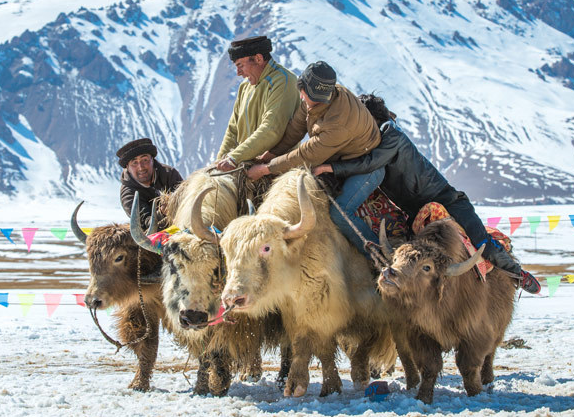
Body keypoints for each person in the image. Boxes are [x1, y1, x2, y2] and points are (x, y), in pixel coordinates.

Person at [313, 94, 541, 294]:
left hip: (451, 203)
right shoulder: (377, 141)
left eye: (360, 119)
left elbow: (370, 163)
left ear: (369, 118)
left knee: (484, 244)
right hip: (417, 213)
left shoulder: (391, 134)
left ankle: (519, 276)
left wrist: (331, 168)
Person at [246, 61, 385, 256]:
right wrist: (270, 155)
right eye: (311, 97)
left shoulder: (338, 122)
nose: (316, 101)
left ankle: (378, 255)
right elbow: (295, 129)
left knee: (340, 212)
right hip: (340, 159)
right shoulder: (318, 98)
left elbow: (307, 154)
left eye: (319, 99)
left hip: (366, 166)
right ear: (301, 89)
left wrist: (265, 169)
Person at [214, 36, 300, 172]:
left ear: (258, 59)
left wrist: (235, 157)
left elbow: (271, 129)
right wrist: (219, 163)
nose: (238, 73)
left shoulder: (284, 81)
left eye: (240, 65)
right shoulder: (245, 87)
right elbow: (233, 130)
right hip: (245, 165)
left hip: (276, 168)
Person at [117, 137, 183, 230]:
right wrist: (162, 212)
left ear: (152, 160)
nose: (141, 167)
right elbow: (146, 225)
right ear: (127, 167)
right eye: (134, 163)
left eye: (145, 160)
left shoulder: (169, 174)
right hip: (154, 236)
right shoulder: (128, 194)